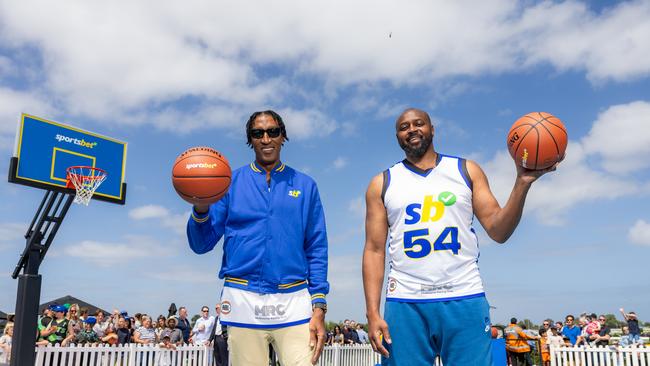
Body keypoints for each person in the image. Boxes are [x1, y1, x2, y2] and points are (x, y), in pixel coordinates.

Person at [362, 108, 559, 366]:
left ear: (432, 129)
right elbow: (374, 250)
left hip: (464, 295)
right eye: (403, 126)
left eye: (418, 123)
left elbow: (498, 231)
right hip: (406, 301)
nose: (411, 129)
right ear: (397, 136)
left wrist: (522, 182)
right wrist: (373, 313)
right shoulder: (383, 182)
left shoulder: (466, 170)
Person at [187, 110, 329, 366]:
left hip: (294, 301)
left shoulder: (306, 185)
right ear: (250, 140)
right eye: (257, 133)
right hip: (243, 300)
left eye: (273, 132)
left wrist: (319, 304)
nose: (266, 139)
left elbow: (316, 247)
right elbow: (201, 244)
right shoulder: (228, 183)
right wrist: (200, 207)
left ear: (282, 137)